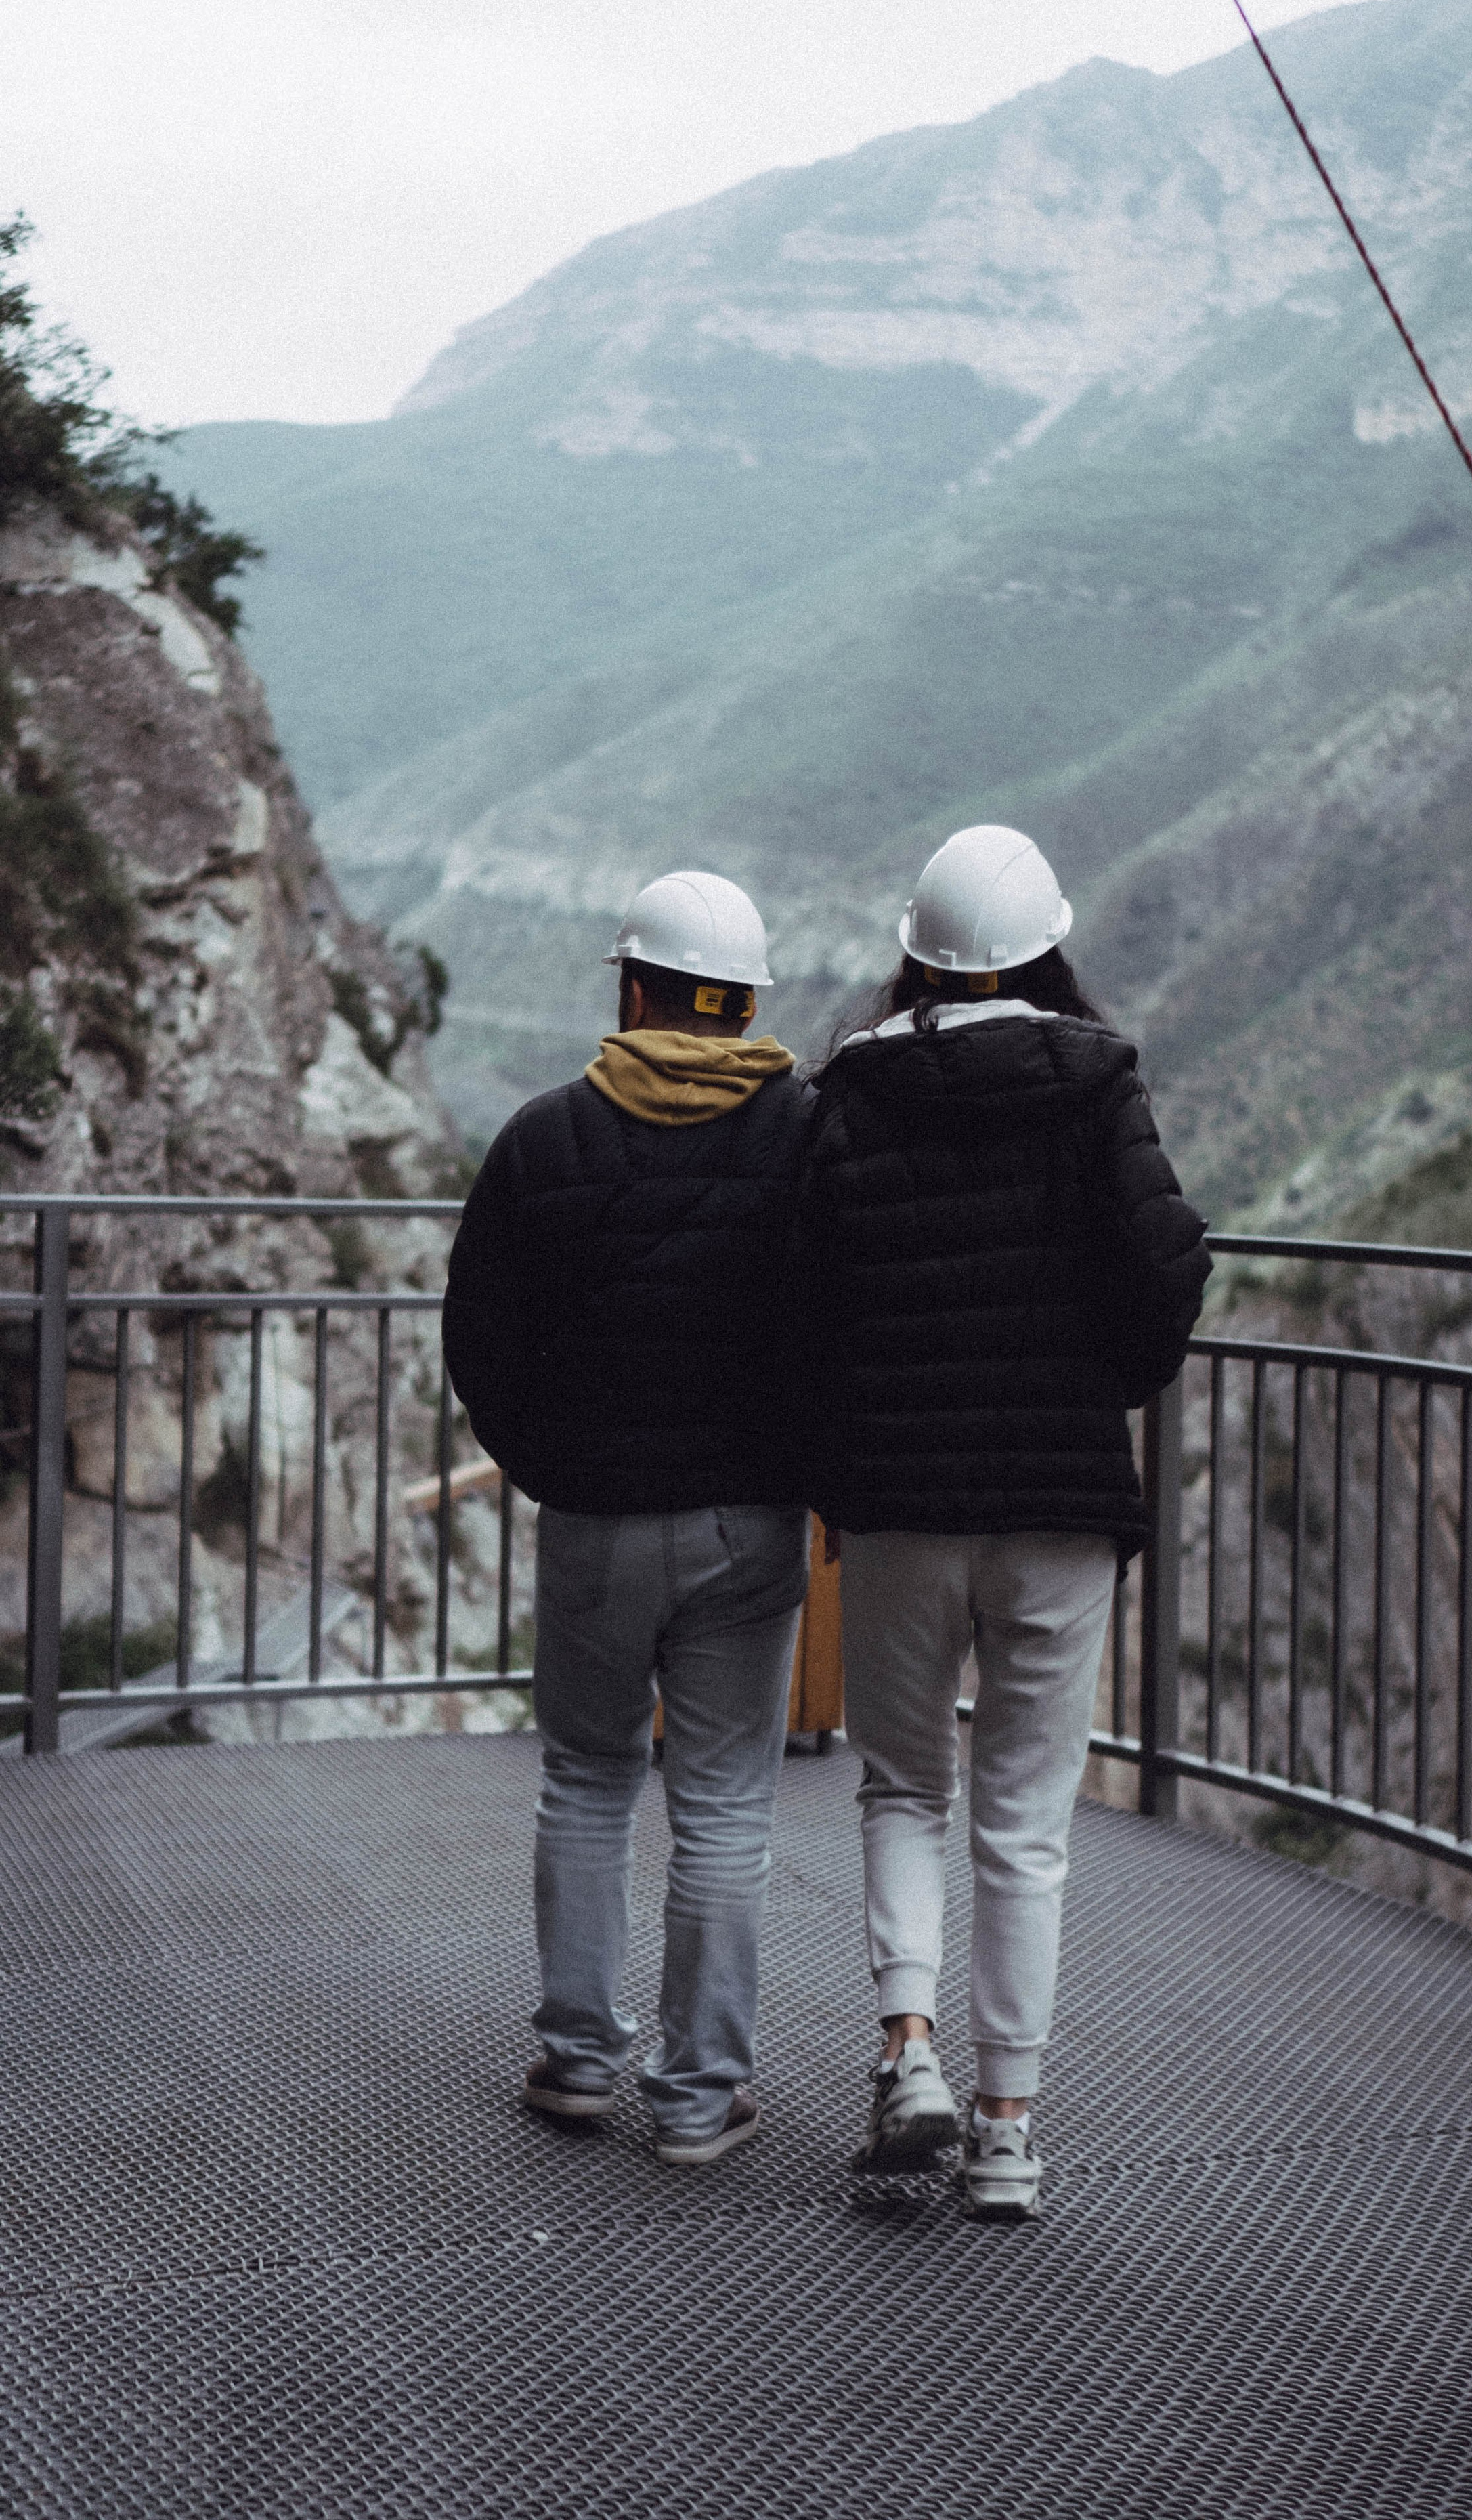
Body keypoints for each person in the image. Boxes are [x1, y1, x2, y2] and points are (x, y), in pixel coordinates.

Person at [793, 825, 1209, 2220]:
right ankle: (1009, 2130)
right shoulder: (1098, 1087)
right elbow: (1163, 1273)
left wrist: (839, 1464)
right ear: (1047, 948)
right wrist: (1104, 1385)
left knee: (903, 1783)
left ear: (917, 952)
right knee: (1025, 1821)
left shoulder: (846, 1093)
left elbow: (804, 1299)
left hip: (902, 1503)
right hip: (1057, 1504)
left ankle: (905, 2047)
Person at [443, 870, 813, 2166]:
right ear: (749, 1002)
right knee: (722, 1805)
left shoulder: (545, 1138)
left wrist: (548, 1461)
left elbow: (479, 1339)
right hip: (750, 1529)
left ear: (633, 988)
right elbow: (846, 1328)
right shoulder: (806, 1139)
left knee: (591, 1780)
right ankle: (702, 2097)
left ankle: (579, 2060)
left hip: (594, 1520)